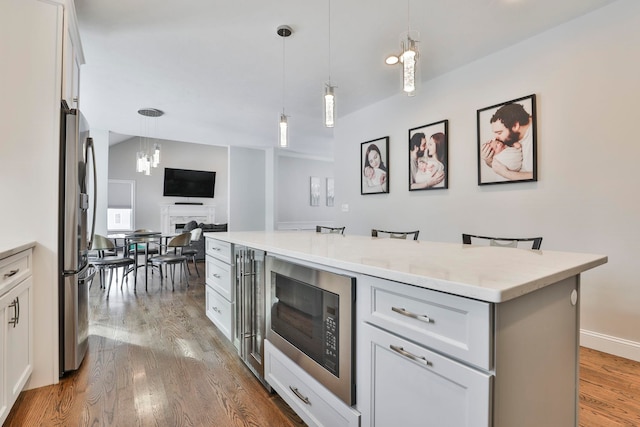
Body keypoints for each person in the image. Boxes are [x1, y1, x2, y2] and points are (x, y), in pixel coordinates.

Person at [480, 102, 533, 181]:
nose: (495, 137)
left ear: (515, 126)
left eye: (499, 133)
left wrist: (505, 173)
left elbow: (540, 176)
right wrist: (490, 161)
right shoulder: (511, 139)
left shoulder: (539, 137)